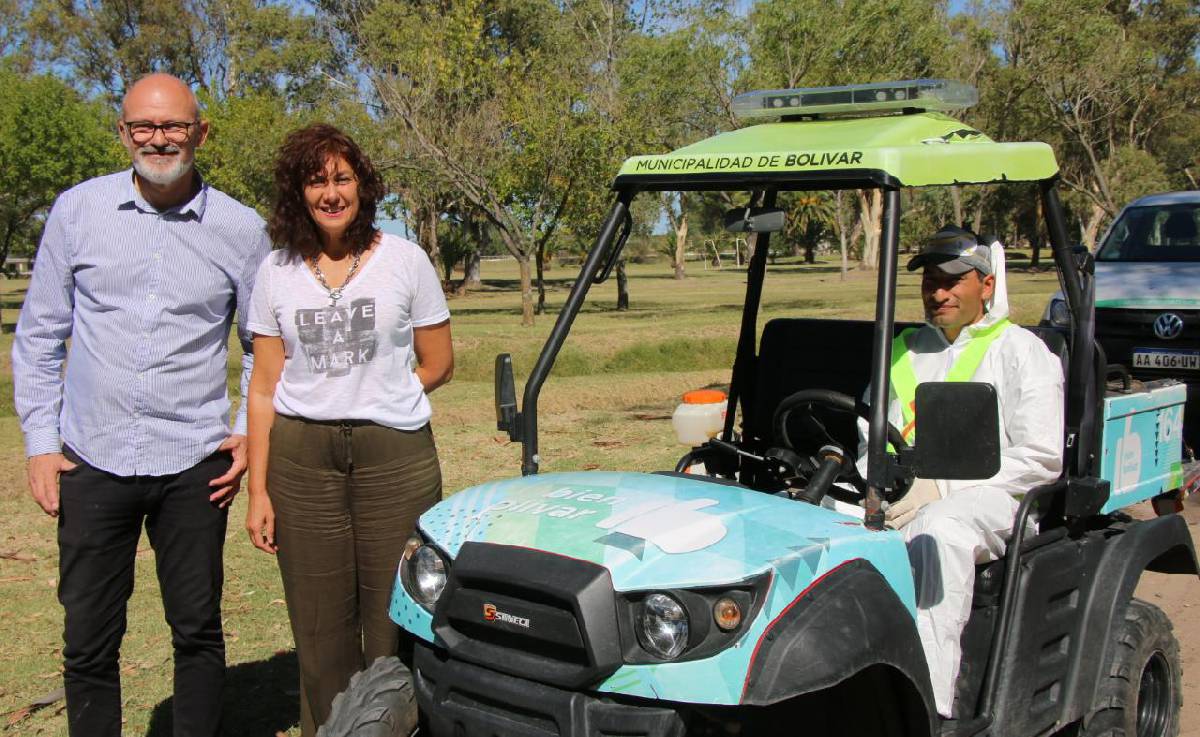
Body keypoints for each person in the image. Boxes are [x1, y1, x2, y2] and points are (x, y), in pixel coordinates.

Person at [12, 73, 271, 737]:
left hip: (195, 463)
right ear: (123, 131)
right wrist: (41, 442)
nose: (159, 139)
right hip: (91, 458)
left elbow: (264, 346)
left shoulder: (241, 230)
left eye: (175, 126)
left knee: (196, 630)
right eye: (144, 127)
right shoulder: (77, 211)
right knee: (89, 640)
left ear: (200, 132)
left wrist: (245, 432)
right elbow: (40, 336)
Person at [243, 123, 453, 736]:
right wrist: (258, 491)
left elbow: (438, 363)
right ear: (297, 193)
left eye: (342, 178)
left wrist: (383, 393)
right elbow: (262, 386)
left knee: (398, 610)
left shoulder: (405, 261)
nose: (331, 193)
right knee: (318, 623)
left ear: (362, 185)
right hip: (302, 458)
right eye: (316, 181)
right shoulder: (276, 271)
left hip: (395, 455)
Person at [862, 226, 1064, 718]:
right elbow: (868, 429)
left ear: (987, 286)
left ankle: (928, 706)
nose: (939, 292)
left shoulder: (1022, 352)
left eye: (953, 280)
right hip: (904, 486)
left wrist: (944, 489)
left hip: (996, 498)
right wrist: (882, 481)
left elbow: (1039, 456)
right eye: (931, 280)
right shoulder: (904, 348)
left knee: (938, 531)